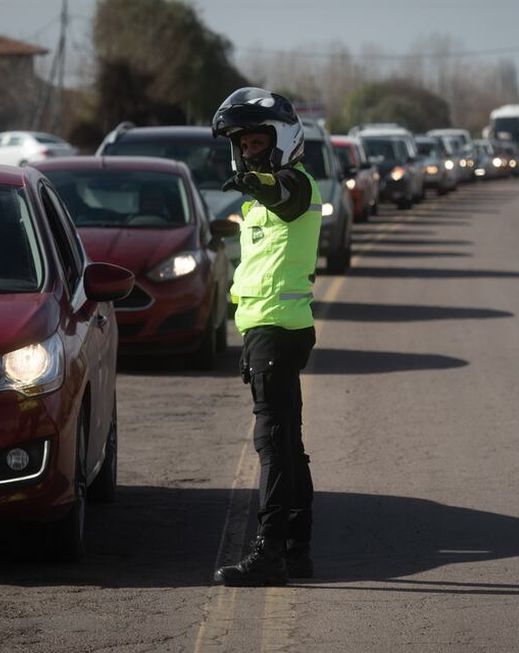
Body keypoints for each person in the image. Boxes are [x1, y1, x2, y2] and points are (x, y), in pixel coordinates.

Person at [211, 87, 322, 587]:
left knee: (272, 444)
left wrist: (258, 181)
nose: (249, 152)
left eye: (258, 143)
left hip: (278, 330)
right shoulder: (258, 203)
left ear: (281, 140)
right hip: (266, 329)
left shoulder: (294, 186)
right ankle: (297, 550)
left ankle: (270, 552)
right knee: (289, 444)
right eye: (244, 145)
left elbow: (281, 194)